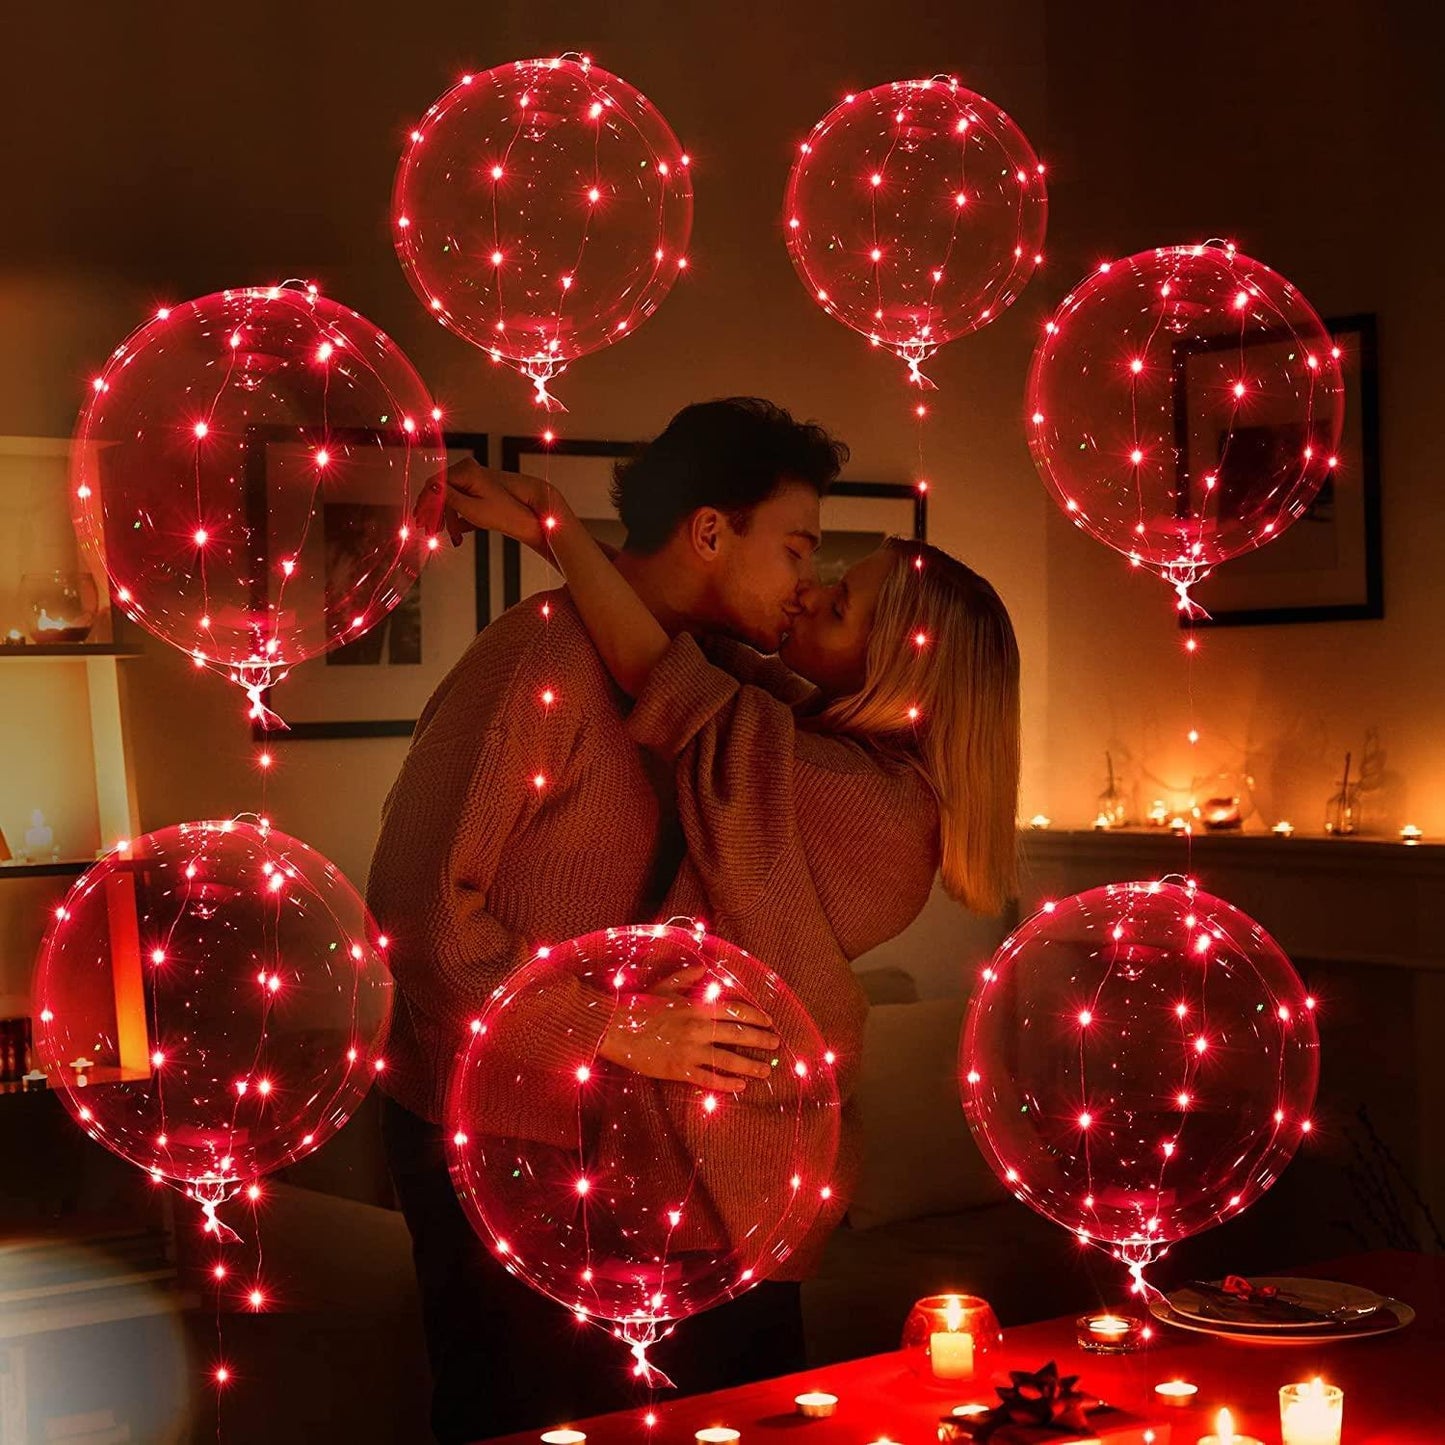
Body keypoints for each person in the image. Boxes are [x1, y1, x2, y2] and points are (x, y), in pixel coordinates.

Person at [439, 450, 1023, 1359]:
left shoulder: (861, 797)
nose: (811, 593)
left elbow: (666, 678)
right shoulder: (832, 751)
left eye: (837, 602)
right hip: (728, 1154)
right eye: (813, 564)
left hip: (727, 1164)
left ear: (898, 668)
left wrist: (555, 525)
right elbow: (708, 663)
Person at [367, 398, 846, 1443]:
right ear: (710, 531)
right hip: (504, 1133)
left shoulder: (724, 687)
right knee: (540, 1419)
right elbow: (416, 910)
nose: (806, 580)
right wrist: (612, 1030)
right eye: (796, 545)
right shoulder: (535, 660)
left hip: (664, 1142)